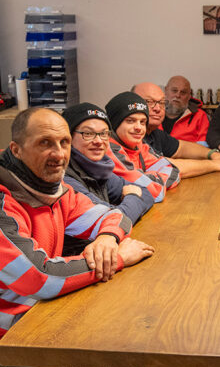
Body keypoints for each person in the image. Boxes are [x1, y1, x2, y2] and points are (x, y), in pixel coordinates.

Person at [0, 107, 154, 367]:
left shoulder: (52, 190)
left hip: (27, 321)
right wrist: (117, 258)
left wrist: (107, 238)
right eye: (45, 143)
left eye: (63, 142)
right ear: (17, 149)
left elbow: (112, 217)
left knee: (123, 354)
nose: (59, 153)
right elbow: (42, 278)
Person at [60, 102, 155, 255]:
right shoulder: (64, 178)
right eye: (88, 134)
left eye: (104, 133)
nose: (98, 141)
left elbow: (146, 193)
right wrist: (131, 196)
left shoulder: (97, 168)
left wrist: (124, 206)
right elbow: (111, 219)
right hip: (84, 260)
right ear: (68, 137)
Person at [132, 82, 220, 176]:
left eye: (162, 103)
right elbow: (166, 167)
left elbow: (181, 147)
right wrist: (215, 164)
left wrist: (212, 154)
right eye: (149, 102)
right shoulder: (132, 135)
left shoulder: (154, 133)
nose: (157, 108)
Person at [105, 91, 181, 202]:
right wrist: (153, 177)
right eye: (130, 121)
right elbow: (156, 193)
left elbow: (174, 172)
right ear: (114, 124)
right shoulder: (108, 150)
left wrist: (146, 177)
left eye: (143, 122)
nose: (139, 128)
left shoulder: (138, 145)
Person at [157, 75, 210, 144]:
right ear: (166, 91)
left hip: (188, 154)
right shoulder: (153, 112)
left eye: (183, 92)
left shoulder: (200, 116)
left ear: (189, 96)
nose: (178, 95)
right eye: (174, 90)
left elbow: (204, 147)